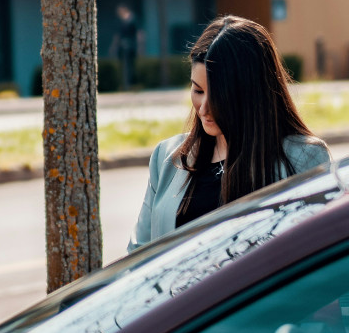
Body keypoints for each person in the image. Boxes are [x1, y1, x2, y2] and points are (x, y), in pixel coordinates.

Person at [129, 15, 329, 248]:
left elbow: (324, 257)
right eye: (198, 91)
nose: (203, 108)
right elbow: (137, 256)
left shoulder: (305, 158)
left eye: (217, 95)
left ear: (251, 92)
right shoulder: (167, 158)